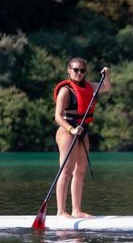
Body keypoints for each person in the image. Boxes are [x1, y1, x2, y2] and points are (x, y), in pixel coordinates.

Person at [53, 57, 111, 219]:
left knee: (80, 170)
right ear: (69, 70)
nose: (79, 73)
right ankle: (61, 211)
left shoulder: (89, 87)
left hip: (83, 130)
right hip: (67, 130)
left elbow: (106, 87)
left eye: (82, 70)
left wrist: (106, 74)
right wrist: (71, 129)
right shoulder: (66, 90)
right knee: (66, 170)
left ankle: (76, 210)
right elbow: (57, 117)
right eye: (75, 70)